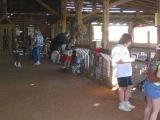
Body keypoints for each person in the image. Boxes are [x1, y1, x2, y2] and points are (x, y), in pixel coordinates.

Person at [111, 33, 135, 112]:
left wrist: (130, 59)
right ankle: (121, 104)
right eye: (130, 41)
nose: (130, 43)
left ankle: (126, 102)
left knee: (129, 88)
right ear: (126, 40)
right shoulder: (117, 49)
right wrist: (130, 60)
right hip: (121, 73)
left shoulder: (125, 48)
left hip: (128, 72)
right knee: (122, 89)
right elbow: (116, 60)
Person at [144, 44, 160, 120]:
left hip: (147, 84)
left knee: (149, 106)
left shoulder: (153, 59)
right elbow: (159, 76)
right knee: (156, 110)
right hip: (155, 87)